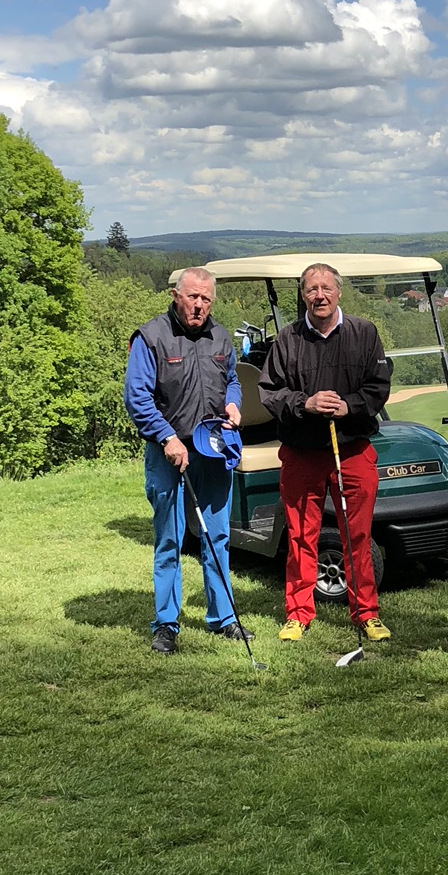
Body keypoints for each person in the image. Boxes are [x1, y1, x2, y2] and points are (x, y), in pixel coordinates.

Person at [258, 262, 393, 643]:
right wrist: (306, 404)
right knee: (302, 536)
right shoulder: (287, 339)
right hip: (303, 452)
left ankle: (366, 613)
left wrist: (349, 406)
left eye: (326, 288)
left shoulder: (364, 333)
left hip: (352, 450)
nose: (319, 295)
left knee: (357, 535)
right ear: (302, 295)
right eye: (311, 289)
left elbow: (378, 386)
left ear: (339, 292)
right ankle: (298, 613)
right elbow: (270, 392)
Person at [124, 267, 244, 655]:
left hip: (213, 449)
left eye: (206, 299)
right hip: (169, 452)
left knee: (217, 536)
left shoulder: (221, 336)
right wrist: (166, 437)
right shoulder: (151, 337)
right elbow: (137, 398)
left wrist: (233, 403)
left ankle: (224, 618)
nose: (198, 305)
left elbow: (232, 380)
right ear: (176, 296)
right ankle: (166, 624)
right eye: (192, 297)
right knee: (170, 540)